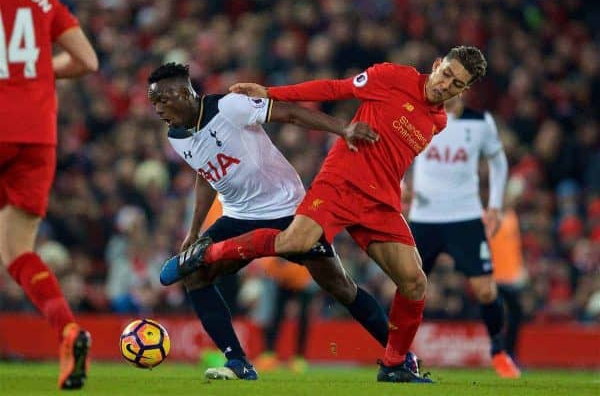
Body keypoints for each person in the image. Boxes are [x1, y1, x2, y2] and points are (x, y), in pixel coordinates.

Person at [164, 46, 488, 383]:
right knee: (293, 241)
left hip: (381, 202)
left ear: (463, 91)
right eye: (446, 74)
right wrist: (270, 92)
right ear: (437, 65)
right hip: (341, 182)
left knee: (414, 282)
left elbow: (394, 153)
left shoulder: (438, 121)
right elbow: (335, 88)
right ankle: (210, 254)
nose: (445, 85)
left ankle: (395, 364)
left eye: (455, 84)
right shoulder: (394, 77)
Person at [148, 63, 391, 380]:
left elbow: (290, 114)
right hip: (238, 216)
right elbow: (206, 174)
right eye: (153, 103)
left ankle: (400, 357)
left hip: (287, 210)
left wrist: (342, 129)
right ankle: (238, 362)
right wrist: (194, 231)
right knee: (195, 276)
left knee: (340, 287)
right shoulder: (176, 136)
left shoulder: (229, 107)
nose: (157, 109)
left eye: (161, 100)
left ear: (183, 92)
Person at [0, 0, 98, 390]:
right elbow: (87, 61)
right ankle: (68, 330)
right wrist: (40, 71)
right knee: (17, 251)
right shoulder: (43, 2)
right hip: (37, 135)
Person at [406, 96, 520, 378]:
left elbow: (498, 162)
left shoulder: (480, 122)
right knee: (406, 287)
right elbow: (395, 151)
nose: (450, 89)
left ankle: (499, 352)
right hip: (424, 217)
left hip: (465, 217)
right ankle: (396, 354)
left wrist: (494, 206)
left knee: (485, 289)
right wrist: (400, 185)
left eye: (458, 82)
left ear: (467, 88)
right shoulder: (419, 115)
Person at [490, 205, 527, 360]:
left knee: (515, 314)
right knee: (498, 315)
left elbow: (515, 247)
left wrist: (521, 268)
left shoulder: (512, 216)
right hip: (493, 275)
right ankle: (501, 352)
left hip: (511, 277)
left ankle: (509, 353)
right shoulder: (489, 216)